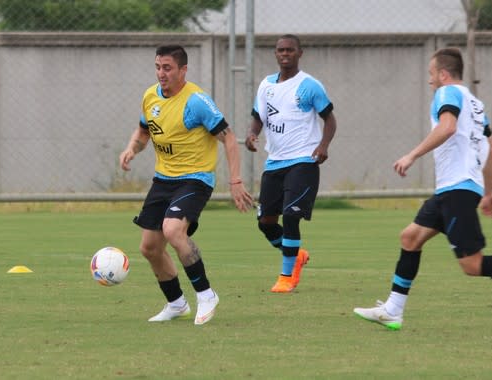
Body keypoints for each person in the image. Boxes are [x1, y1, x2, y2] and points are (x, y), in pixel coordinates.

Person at [353, 47, 492, 330]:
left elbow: (447, 127)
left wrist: (412, 155)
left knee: (472, 265)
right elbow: (491, 148)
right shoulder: (476, 105)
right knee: (410, 238)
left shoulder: (446, 93)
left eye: (431, 74)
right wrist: (489, 192)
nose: (429, 80)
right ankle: (393, 310)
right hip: (454, 189)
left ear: (443, 75)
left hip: (456, 188)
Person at [119, 44, 253, 325]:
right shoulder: (150, 96)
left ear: (183, 70)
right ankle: (176, 304)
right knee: (149, 247)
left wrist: (236, 180)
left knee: (172, 230)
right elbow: (144, 130)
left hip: (196, 178)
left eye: (167, 68)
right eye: (158, 67)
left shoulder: (196, 102)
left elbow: (228, 138)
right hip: (163, 180)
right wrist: (132, 148)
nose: (161, 73)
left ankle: (206, 294)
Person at [245, 34, 337, 293]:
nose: (285, 54)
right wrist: (252, 134)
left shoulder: (309, 85)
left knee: (292, 216)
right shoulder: (266, 85)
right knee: (265, 222)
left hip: (303, 161)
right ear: (275, 54)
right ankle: (295, 254)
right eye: (280, 50)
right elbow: (258, 117)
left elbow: (330, 119)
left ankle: (287, 277)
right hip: (274, 163)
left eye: (290, 50)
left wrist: (323, 146)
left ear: (300, 53)